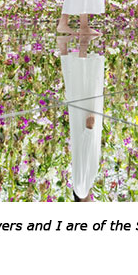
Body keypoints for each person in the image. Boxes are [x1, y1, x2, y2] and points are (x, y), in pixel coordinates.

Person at [58, 34, 104, 202]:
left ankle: (82, 42)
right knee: (79, 89)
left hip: (86, 128)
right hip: (85, 130)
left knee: (84, 88)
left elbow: (84, 159)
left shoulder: (82, 189)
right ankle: (65, 46)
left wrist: (89, 130)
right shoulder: (82, 188)